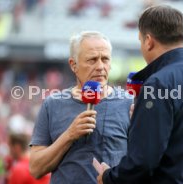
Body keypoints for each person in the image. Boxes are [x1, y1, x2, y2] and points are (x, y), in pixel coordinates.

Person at [97, 5, 183, 184]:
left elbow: (143, 161)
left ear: (148, 41)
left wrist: (109, 177)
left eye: (140, 40)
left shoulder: (158, 83)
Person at [29, 31, 133, 183]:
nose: (100, 67)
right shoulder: (52, 104)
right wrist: (70, 135)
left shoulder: (129, 104)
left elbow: (144, 164)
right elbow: (36, 169)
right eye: (92, 60)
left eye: (105, 59)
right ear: (73, 65)